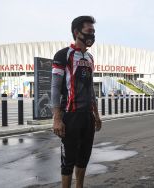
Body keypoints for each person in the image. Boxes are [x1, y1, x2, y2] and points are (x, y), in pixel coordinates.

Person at [51, 15, 102, 188]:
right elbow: (55, 88)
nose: (92, 35)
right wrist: (57, 118)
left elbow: (90, 89)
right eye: (89, 31)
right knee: (68, 161)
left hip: (87, 117)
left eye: (94, 32)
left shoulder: (90, 58)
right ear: (76, 32)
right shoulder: (63, 55)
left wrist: (96, 115)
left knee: (83, 158)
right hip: (70, 116)